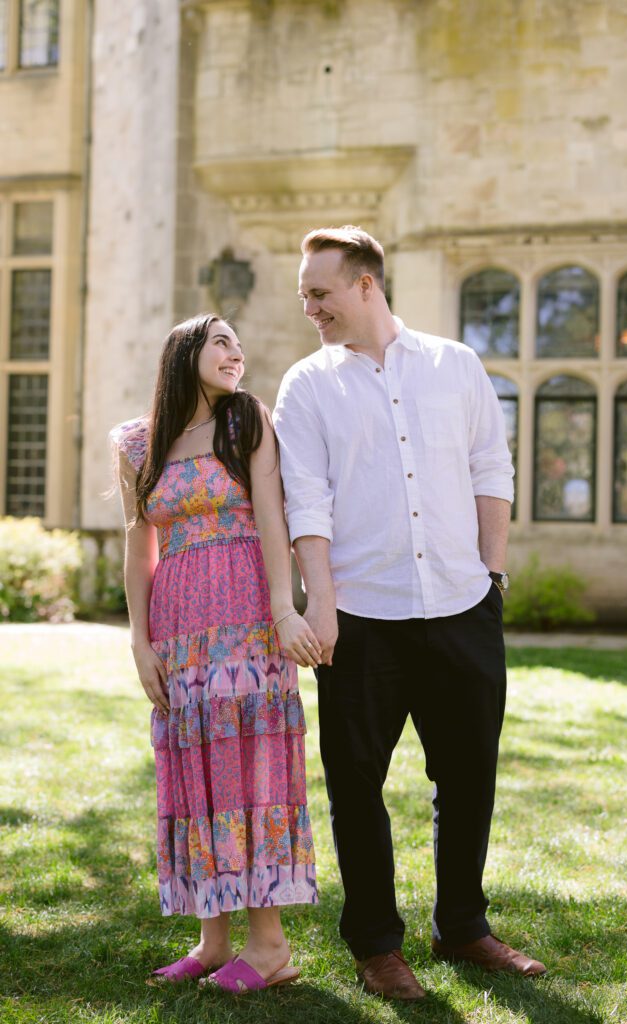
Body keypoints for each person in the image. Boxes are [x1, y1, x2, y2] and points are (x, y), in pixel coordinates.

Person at [273, 226, 546, 1001]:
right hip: (360, 617)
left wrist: (491, 573)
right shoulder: (306, 384)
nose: (309, 307)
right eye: (303, 295)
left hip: (463, 606)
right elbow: (308, 501)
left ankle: (462, 926)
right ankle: (375, 944)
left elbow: (490, 464)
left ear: (365, 285)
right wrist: (319, 604)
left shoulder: (455, 364)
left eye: (318, 292)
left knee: (468, 779)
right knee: (355, 785)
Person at [111, 314, 320, 995]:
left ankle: (269, 947)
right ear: (184, 354)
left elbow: (270, 515)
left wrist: (286, 610)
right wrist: (140, 641)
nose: (236, 352)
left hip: (245, 618)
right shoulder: (138, 442)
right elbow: (139, 546)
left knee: (248, 767)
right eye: (220, 341)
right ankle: (211, 940)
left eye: (238, 342)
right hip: (176, 624)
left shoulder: (245, 421)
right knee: (194, 770)